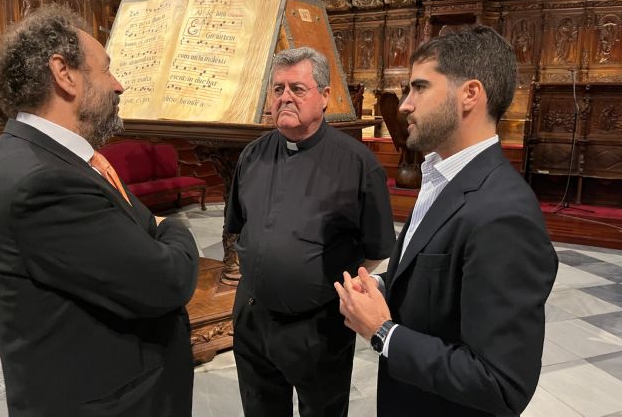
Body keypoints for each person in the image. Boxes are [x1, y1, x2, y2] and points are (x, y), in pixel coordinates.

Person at [0, 4, 198, 417]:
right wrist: (174, 226)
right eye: (106, 69)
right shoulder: (44, 182)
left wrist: (154, 230)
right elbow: (168, 280)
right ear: (64, 73)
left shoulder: (44, 157)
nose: (119, 85)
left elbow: (137, 229)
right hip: (113, 402)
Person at [335, 25, 558, 416]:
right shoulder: (441, 175)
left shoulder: (504, 215)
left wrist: (384, 333)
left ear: (469, 94)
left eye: (420, 88)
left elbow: (501, 384)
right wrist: (384, 286)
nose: (405, 105)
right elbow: (440, 285)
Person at [225, 46, 395, 417]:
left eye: (297, 89)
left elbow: (377, 250)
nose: (284, 97)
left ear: (325, 96)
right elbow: (238, 227)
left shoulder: (358, 164)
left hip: (317, 328)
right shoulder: (252, 155)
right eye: (278, 89)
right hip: (253, 318)